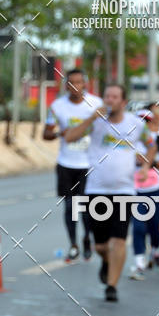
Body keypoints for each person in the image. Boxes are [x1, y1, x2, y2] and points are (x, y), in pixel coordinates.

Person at [63, 83, 155, 301]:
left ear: (123, 102)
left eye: (115, 97)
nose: (110, 100)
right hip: (96, 190)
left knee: (119, 241)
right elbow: (69, 138)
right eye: (107, 96)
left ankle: (111, 286)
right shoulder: (95, 123)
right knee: (101, 245)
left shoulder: (136, 124)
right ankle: (106, 261)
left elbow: (151, 145)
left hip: (125, 191)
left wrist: (144, 167)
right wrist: (91, 119)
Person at [43, 69, 100, 261]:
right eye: (72, 83)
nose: (76, 87)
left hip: (89, 164)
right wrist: (60, 133)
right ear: (67, 86)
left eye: (80, 82)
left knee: (85, 208)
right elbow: (46, 134)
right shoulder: (57, 106)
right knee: (69, 207)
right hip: (66, 163)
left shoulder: (96, 105)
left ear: (86, 84)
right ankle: (73, 243)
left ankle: (87, 239)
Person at [129, 106, 159, 278]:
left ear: (153, 123)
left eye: (147, 121)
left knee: (154, 227)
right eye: (140, 121)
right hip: (134, 190)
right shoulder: (128, 142)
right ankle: (139, 262)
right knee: (138, 226)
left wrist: (151, 163)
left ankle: (155, 250)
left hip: (157, 189)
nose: (144, 125)